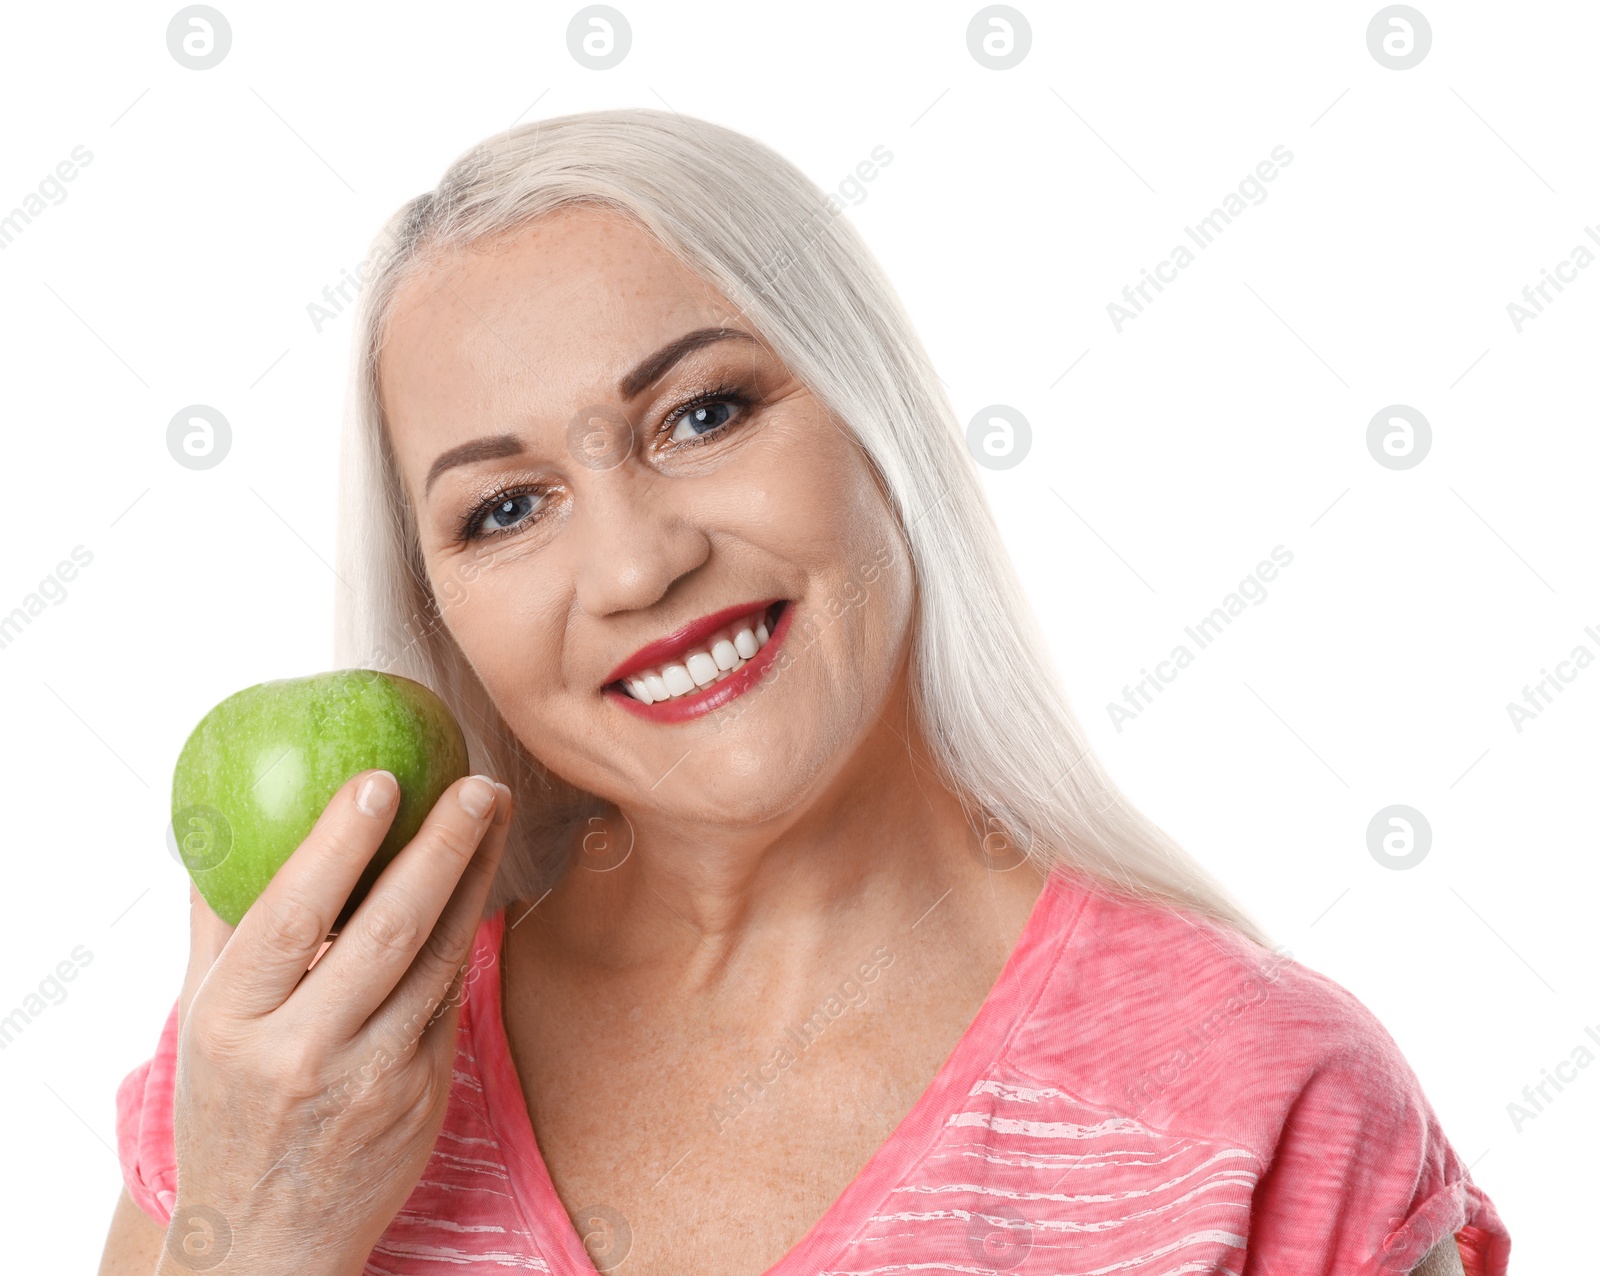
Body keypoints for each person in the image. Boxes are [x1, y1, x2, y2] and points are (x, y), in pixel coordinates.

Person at [99, 109, 1510, 1276]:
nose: (638, 564)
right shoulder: (293, 1063)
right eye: (508, 507)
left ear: (876, 423)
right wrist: (266, 1233)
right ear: (438, 610)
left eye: (702, 415)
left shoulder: (1265, 1103)